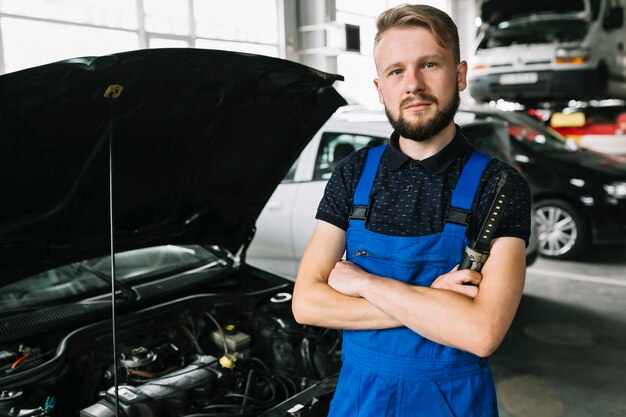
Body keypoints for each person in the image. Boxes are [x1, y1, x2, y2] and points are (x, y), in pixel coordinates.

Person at [291, 4, 531, 417]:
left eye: (429, 65)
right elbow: (307, 304)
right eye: (396, 71)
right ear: (380, 86)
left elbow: (481, 332)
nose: (413, 84)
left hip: (451, 403)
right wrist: (434, 304)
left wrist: (368, 284)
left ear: (459, 75)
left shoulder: (501, 186)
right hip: (357, 398)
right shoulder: (352, 175)